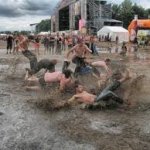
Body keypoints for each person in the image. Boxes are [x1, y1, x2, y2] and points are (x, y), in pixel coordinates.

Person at [63, 69, 130, 108]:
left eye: (82, 86)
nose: (82, 87)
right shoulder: (76, 96)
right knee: (109, 93)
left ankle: (125, 78)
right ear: (76, 88)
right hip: (96, 101)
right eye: (80, 87)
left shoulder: (84, 92)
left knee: (110, 86)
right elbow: (68, 102)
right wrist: (62, 105)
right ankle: (124, 103)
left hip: (99, 97)